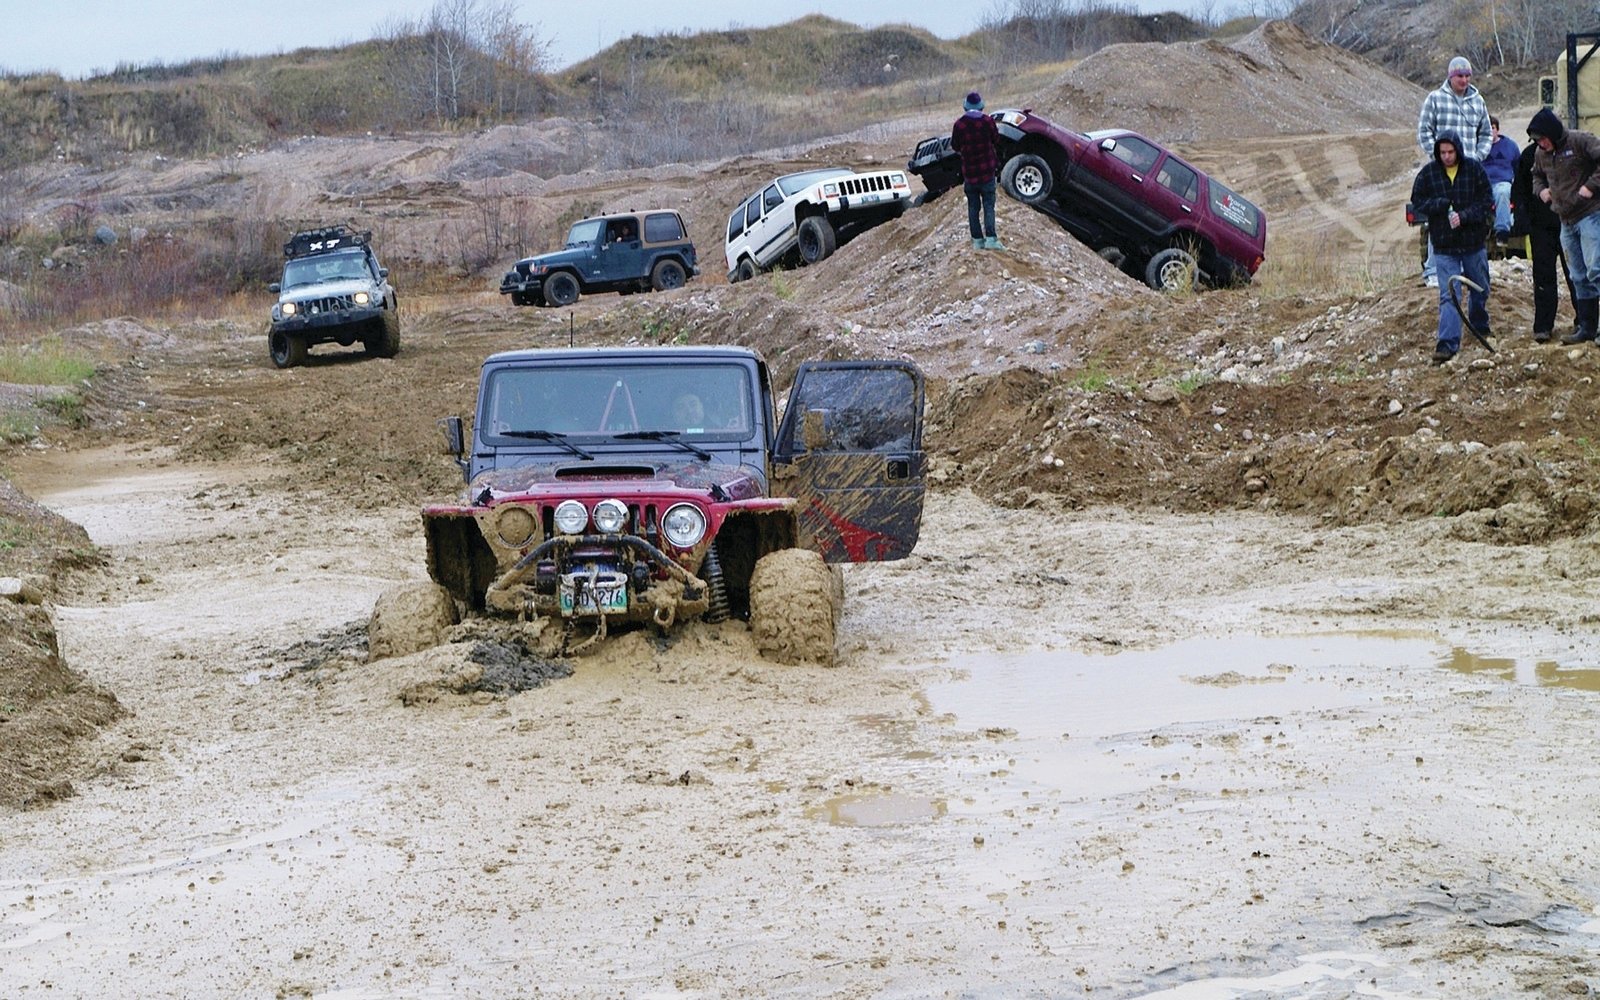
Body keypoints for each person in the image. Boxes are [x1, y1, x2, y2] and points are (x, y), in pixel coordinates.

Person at [1410, 131, 1493, 363]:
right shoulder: (1428, 174)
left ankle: (1479, 325)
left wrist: (1465, 216)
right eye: (1442, 152)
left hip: (1473, 243)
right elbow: (1418, 201)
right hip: (1444, 246)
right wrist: (1440, 205)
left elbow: (1487, 200)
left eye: (1450, 152)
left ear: (1458, 149)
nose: (1446, 156)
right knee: (1449, 294)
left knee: (1480, 288)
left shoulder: (1474, 169)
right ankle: (1447, 344)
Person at [1416, 56, 1492, 287]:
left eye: (1468, 75)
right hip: (1443, 170)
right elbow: (1424, 130)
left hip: (1469, 173)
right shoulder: (1436, 99)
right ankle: (1432, 270)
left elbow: (1487, 133)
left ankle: (1470, 267)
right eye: (1460, 76)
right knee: (1439, 218)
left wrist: (1478, 157)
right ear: (1451, 76)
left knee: (1468, 216)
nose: (1465, 80)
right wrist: (1438, 156)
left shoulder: (1477, 101)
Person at [1529, 106, 1600, 344]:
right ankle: (1587, 327)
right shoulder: (1541, 154)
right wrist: (1541, 192)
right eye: (1536, 141)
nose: (1540, 144)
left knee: (1596, 269)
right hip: (1565, 221)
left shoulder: (1580, 141)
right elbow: (1536, 175)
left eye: (1542, 139)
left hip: (1590, 215)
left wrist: (1591, 186)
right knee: (1578, 275)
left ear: (1553, 133)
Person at [1511, 125, 1575, 342]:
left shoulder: (1571, 151)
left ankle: (1586, 321)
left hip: (1570, 223)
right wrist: (1523, 220)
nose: (1541, 144)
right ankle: (1543, 326)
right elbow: (1519, 190)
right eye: (1537, 139)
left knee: (1576, 275)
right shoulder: (1529, 156)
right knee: (1543, 276)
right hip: (1541, 226)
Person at [950, 90, 1004, 251]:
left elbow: (955, 146)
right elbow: (996, 139)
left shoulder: (959, 125)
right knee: (989, 205)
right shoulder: (988, 121)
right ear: (980, 106)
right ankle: (991, 239)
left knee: (973, 207)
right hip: (987, 172)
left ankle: (977, 241)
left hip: (970, 174)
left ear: (966, 107)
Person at [1483, 116, 1519, 244]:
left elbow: (1518, 168)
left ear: (1497, 130)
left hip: (1503, 183)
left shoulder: (1510, 146)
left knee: (1502, 192)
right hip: (1482, 185)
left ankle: (1502, 231)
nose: (1489, 131)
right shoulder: (1477, 147)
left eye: (1492, 128)